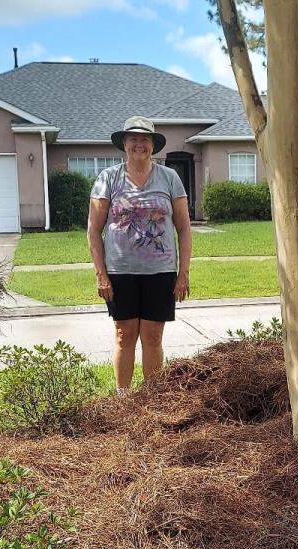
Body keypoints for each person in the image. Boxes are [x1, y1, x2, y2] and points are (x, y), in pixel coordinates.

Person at [87, 116, 192, 391]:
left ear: (153, 145)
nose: (139, 144)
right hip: (120, 272)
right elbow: (93, 230)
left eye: (145, 139)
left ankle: (151, 398)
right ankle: (123, 399)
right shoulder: (108, 178)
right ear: (124, 144)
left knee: (153, 336)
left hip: (161, 272)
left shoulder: (170, 178)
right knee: (124, 335)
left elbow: (184, 228)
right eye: (133, 139)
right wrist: (101, 274)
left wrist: (183, 273)